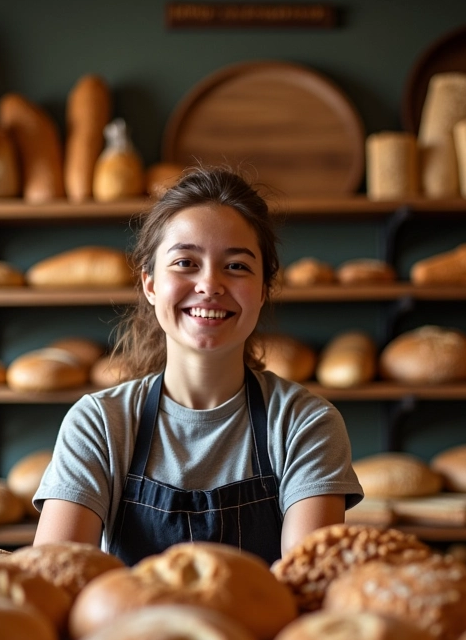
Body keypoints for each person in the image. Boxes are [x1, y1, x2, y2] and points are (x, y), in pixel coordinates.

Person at [32, 166, 363, 565]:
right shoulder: (101, 423)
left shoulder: (304, 423)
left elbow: (309, 582)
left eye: (236, 266)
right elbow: (57, 578)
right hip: (126, 629)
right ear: (151, 284)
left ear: (263, 290)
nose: (209, 285)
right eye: (186, 262)